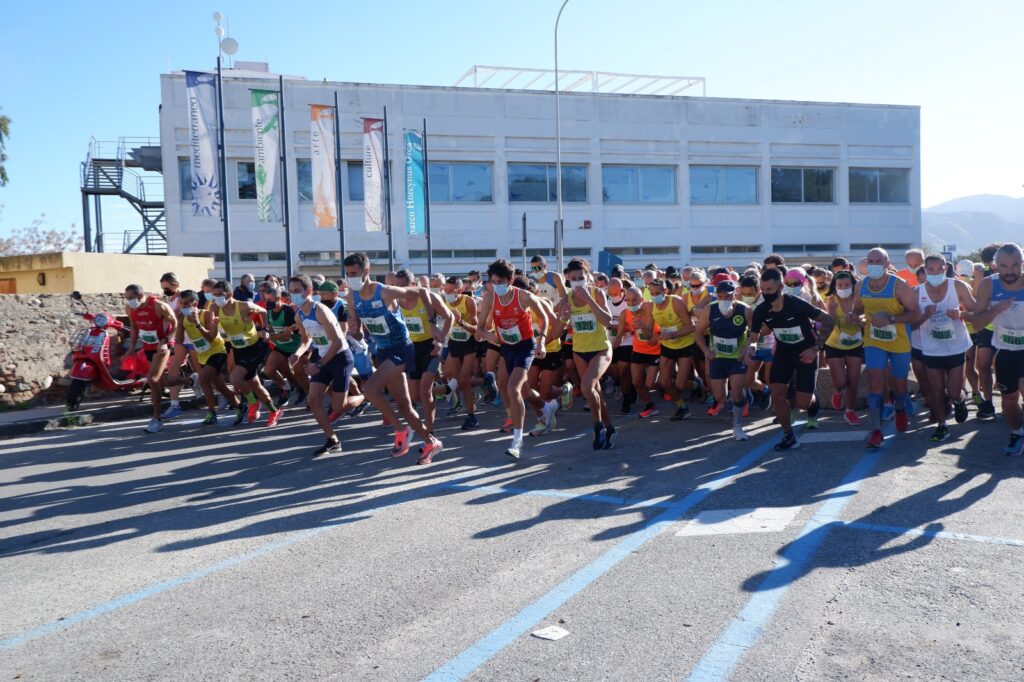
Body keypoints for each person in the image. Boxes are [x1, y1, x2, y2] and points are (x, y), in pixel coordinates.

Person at [345, 252, 443, 463]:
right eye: (347, 274)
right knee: (405, 406)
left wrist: (432, 321)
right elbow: (360, 334)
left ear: (367, 272)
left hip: (402, 348)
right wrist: (354, 330)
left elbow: (421, 292)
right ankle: (431, 442)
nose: (350, 278)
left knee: (370, 389)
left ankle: (401, 431)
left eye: (354, 273)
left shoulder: (385, 292)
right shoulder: (351, 298)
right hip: (383, 351)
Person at [745, 268, 835, 451]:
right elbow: (754, 336)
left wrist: (815, 348)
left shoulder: (796, 303)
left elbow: (828, 321)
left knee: (802, 403)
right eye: (763, 289)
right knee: (778, 395)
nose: (765, 294)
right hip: (783, 353)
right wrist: (751, 347)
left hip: (806, 353)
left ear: (780, 287)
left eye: (769, 289)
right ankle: (788, 435)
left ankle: (813, 401)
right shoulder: (761, 310)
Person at [476, 260, 558, 459]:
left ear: (511, 280)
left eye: (501, 281)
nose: (497, 285)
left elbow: (546, 318)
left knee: (513, 388)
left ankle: (517, 441)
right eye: (493, 281)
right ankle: (547, 407)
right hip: (506, 347)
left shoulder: (524, 296)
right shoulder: (489, 299)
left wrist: (541, 342)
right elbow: (479, 329)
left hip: (525, 346)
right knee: (513, 386)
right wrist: (488, 336)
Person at [853, 248, 921, 448]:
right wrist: (855, 317)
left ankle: (900, 406)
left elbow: (915, 314)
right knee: (875, 383)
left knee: (899, 385)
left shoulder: (899, 285)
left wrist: (891, 319)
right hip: (874, 340)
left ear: (887, 263)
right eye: (871, 260)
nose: (874, 264)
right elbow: (858, 310)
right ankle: (875, 430)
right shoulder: (861, 285)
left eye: (878, 261)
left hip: (899, 341)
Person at [286, 275, 357, 456]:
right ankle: (332, 440)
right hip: (323, 358)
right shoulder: (299, 314)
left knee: (339, 407)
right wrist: (297, 353)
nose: (292, 295)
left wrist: (319, 364)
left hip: (340, 357)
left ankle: (367, 396)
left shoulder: (321, 311)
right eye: (290, 291)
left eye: (296, 291)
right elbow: (306, 339)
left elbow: (337, 343)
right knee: (313, 399)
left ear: (308, 291)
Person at [914, 254, 977, 442]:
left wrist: (962, 314)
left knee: (953, 391)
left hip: (956, 346)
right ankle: (942, 425)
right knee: (936, 391)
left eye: (939, 269)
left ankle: (959, 401)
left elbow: (976, 310)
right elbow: (909, 324)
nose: (935, 273)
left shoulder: (958, 286)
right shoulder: (916, 292)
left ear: (945, 268)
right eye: (930, 270)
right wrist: (924, 316)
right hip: (931, 348)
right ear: (925, 270)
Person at [971, 243, 1024, 456]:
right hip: (1005, 349)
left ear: (1022, 264)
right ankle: (1017, 432)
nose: (1010, 271)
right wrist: (995, 310)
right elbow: (976, 325)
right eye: (1004, 266)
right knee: (1009, 398)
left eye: (1015, 265)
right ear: (996, 265)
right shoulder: (988, 285)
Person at [209, 279, 281, 427]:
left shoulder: (244, 306)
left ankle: (253, 403)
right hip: (238, 348)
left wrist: (265, 329)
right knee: (254, 384)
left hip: (255, 346)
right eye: (214, 294)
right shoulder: (215, 308)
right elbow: (213, 333)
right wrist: (214, 325)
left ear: (229, 294)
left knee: (235, 377)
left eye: (219, 294)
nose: (216, 298)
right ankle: (274, 411)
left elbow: (263, 311)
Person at [560, 259, 616, 449]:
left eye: (581, 278)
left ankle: (598, 426)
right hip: (579, 350)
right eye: (574, 278)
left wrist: (588, 299)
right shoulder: (567, 298)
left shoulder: (596, 292)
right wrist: (564, 317)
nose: (577, 281)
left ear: (588, 277)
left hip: (600, 348)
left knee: (586, 387)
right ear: (568, 279)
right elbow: (557, 323)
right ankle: (609, 428)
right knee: (595, 393)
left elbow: (607, 321)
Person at [394, 269, 454, 436]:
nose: (400, 290)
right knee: (416, 396)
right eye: (397, 287)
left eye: (404, 286)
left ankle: (429, 430)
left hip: (431, 346)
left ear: (414, 285)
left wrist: (441, 338)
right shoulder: (396, 299)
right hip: (412, 348)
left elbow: (449, 317)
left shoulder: (428, 297)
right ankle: (447, 389)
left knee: (425, 390)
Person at [694, 278, 752, 441]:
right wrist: (706, 351)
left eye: (728, 296)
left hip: (736, 358)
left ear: (735, 295)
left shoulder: (745, 310)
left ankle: (737, 426)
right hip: (717, 358)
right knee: (720, 396)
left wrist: (747, 348)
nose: (724, 299)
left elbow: (755, 333)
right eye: (720, 296)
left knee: (737, 395)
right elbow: (697, 332)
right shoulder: (709, 310)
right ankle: (734, 399)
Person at [170, 289, 239, 425]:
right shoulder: (183, 318)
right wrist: (178, 323)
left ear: (195, 303)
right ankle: (241, 406)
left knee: (203, 380)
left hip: (217, 351)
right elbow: (179, 340)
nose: (184, 306)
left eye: (186, 304)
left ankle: (211, 413)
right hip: (203, 355)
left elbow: (211, 338)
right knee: (220, 387)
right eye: (182, 304)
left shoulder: (207, 315)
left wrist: (197, 324)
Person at [125, 284, 178, 433]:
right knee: (161, 382)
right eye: (127, 298)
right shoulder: (130, 308)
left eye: (131, 298)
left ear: (141, 296)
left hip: (162, 345)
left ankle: (157, 418)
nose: (129, 301)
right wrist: (131, 348)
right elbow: (134, 329)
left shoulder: (159, 306)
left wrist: (166, 340)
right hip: (148, 346)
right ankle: (190, 380)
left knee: (152, 379)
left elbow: (175, 323)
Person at [441, 276, 489, 430]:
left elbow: (476, 329)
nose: (447, 293)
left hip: (469, 343)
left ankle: (471, 416)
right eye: (445, 290)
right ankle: (472, 396)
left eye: (450, 290)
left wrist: (461, 321)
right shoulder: (444, 300)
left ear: (460, 290)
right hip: (454, 342)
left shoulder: (468, 302)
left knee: (463, 380)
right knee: (448, 374)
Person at [646, 278, 697, 421]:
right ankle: (682, 407)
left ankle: (697, 385)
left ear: (665, 291)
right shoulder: (651, 306)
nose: (655, 296)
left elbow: (691, 327)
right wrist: (645, 330)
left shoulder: (676, 302)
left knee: (680, 384)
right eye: (652, 293)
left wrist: (672, 334)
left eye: (658, 292)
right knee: (665, 382)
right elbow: (650, 331)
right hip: (668, 345)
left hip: (685, 344)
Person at [823, 271, 864, 425]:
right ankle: (838, 391)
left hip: (855, 343)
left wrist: (858, 320)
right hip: (834, 344)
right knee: (840, 381)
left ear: (853, 285)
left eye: (847, 285)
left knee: (853, 381)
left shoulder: (859, 300)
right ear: (835, 286)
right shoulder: (832, 300)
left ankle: (850, 411)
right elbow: (828, 324)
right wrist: (832, 313)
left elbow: (866, 319)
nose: (844, 287)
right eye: (840, 285)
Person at [262, 286, 307, 407]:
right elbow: (269, 328)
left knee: (299, 374)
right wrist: (266, 332)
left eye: (270, 300)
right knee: (269, 370)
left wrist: (271, 337)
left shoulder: (288, 311)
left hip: (294, 346)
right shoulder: (268, 311)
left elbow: (288, 335)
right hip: (281, 346)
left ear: (278, 298)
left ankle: (307, 394)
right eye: (266, 300)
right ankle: (287, 388)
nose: (267, 303)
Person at [624, 286, 661, 418]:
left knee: (650, 384)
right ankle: (650, 405)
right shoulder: (626, 313)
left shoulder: (651, 310)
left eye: (634, 300)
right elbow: (621, 332)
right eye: (628, 300)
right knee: (637, 382)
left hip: (655, 350)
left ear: (642, 299)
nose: (631, 303)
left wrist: (645, 327)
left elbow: (658, 332)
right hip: (638, 350)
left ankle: (671, 383)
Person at [607, 277, 635, 413]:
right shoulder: (606, 302)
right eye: (610, 293)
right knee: (613, 370)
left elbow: (633, 322)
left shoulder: (628, 302)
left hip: (628, 340)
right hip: (611, 340)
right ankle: (621, 385)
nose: (613, 296)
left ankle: (626, 399)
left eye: (615, 293)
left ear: (622, 290)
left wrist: (619, 327)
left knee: (623, 368)